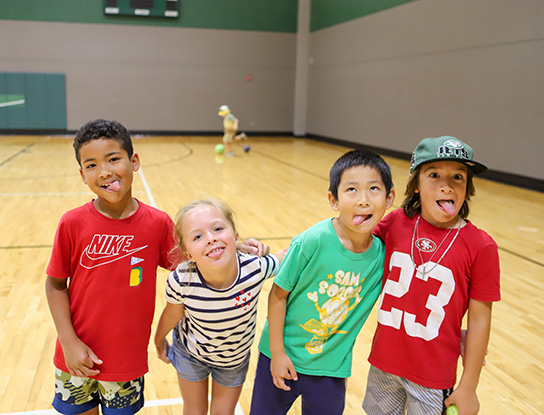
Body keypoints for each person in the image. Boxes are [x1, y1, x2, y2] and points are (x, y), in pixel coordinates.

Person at [45, 119, 264, 415]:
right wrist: (68, 341)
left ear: (134, 161)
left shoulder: (157, 224)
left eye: (113, 159)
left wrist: (233, 245)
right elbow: (55, 284)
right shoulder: (72, 223)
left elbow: (194, 256)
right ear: (83, 175)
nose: (106, 171)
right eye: (92, 165)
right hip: (75, 354)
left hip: (125, 359)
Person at [249, 149, 396, 415]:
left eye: (374, 188)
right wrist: (277, 353)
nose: (363, 200)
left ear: (390, 198)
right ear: (334, 199)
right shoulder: (312, 241)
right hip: (281, 356)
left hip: (331, 367)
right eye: (352, 189)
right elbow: (278, 295)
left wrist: (451, 334)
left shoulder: (383, 256)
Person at [363, 136, 501, 415]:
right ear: (415, 186)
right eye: (434, 174)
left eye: (458, 177)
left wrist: (468, 387)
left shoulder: (481, 246)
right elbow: (356, 248)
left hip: (433, 376)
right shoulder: (395, 222)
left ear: (468, 188)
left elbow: (479, 318)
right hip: (383, 363)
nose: (447, 185)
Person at [154, 198, 287, 415]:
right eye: (198, 236)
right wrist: (159, 339)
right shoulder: (182, 280)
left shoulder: (255, 268)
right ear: (188, 254)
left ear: (235, 236)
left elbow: (289, 254)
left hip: (233, 359)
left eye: (217, 229)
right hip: (191, 354)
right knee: (195, 411)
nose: (211, 239)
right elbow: (172, 313)